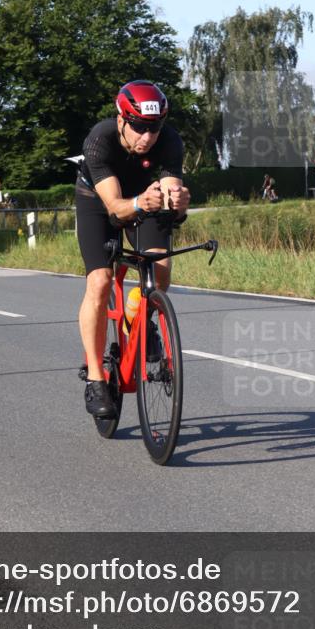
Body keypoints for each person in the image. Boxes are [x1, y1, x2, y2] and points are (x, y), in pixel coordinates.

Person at [76, 80, 190, 417]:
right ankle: (96, 378)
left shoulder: (169, 142)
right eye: (139, 127)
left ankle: (137, 314)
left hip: (145, 200)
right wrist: (141, 201)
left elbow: (170, 194)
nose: (147, 137)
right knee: (99, 281)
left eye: (154, 128)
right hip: (99, 201)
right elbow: (115, 209)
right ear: (121, 119)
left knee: (160, 271)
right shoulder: (101, 139)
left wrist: (179, 204)